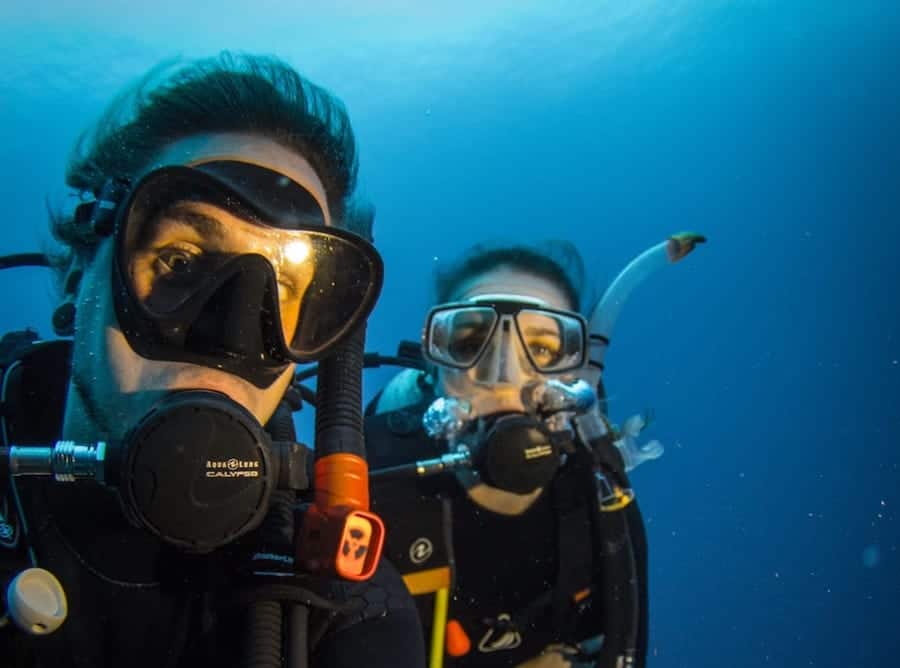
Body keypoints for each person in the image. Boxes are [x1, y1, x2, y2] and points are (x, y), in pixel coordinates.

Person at [0, 52, 426, 667]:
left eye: (280, 289)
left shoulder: (343, 611)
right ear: (76, 276)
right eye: (179, 260)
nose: (230, 339)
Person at [365, 235, 704, 667]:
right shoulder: (367, 482)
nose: (504, 374)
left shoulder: (601, 500)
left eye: (542, 348)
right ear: (433, 370)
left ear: (576, 381)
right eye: (470, 344)